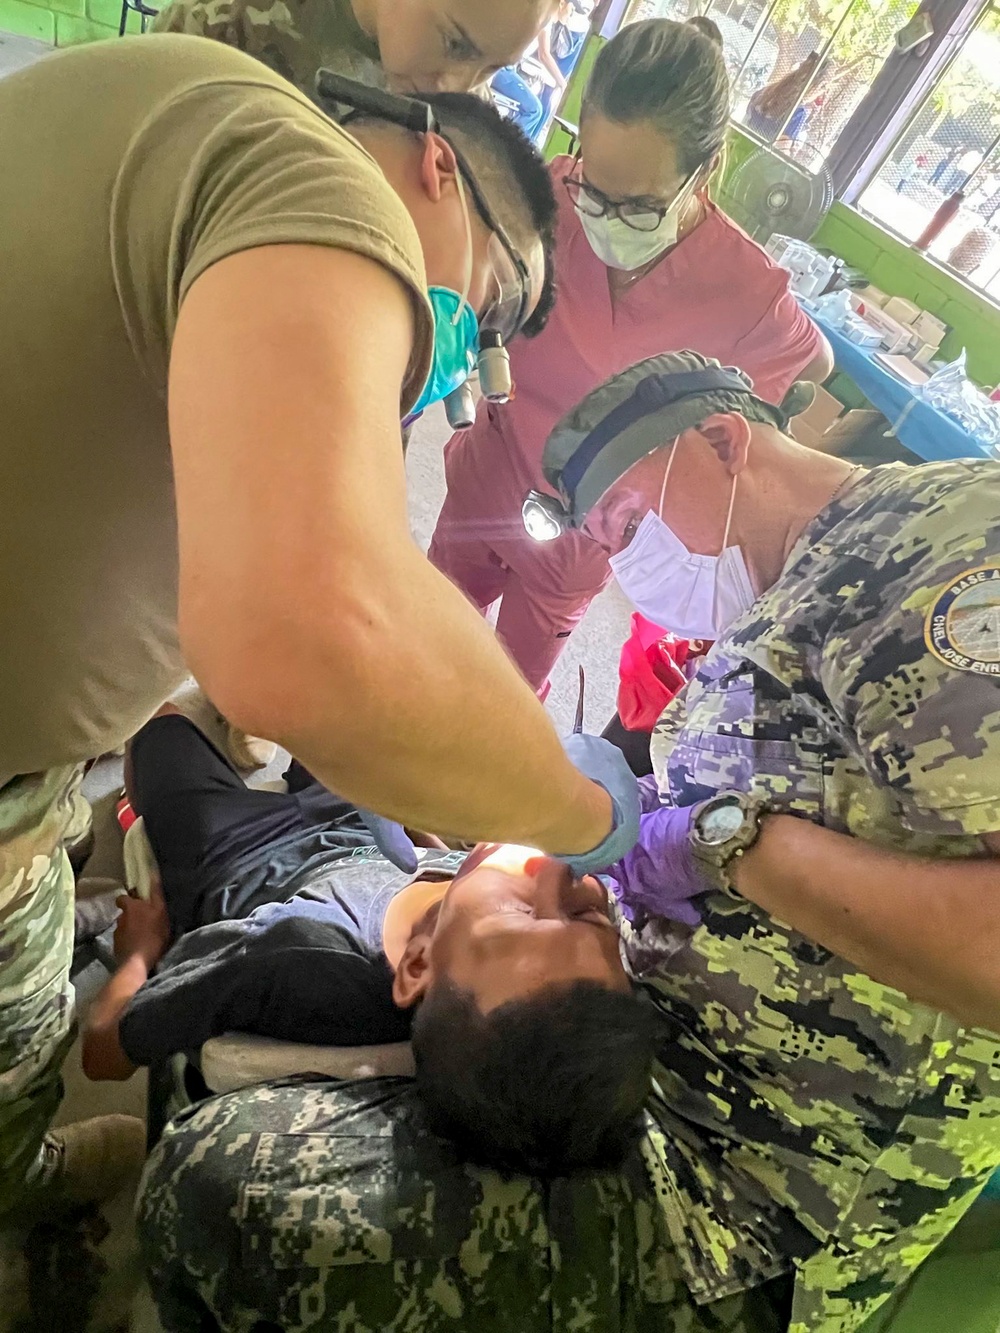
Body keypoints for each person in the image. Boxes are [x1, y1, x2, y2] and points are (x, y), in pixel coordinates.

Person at [138, 351, 1000, 1333]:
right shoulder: (785, 594)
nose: (628, 564)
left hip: (744, 1197)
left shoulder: (941, 543)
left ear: (720, 440)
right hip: (622, 1030)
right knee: (308, 949)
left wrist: (727, 841)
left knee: (220, 1174)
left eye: (629, 524)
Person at [0, 35, 641, 1224]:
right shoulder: (323, 193)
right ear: (441, 172)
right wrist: (577, 812)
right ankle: (19, 1179)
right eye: (486, 309)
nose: (461, 348)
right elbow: (314, 632)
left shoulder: (207, 132)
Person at [428, 19, 833, 696]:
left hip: (580, 532)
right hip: (489, 472)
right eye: (596, 187)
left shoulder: (744, 289)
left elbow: (811, 365)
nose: (606, 216)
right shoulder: (549, 195)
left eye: (640, 205)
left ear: (702, 174)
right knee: (423, 629)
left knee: (500, 699)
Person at [83, 709, 653, 1174]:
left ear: (417, 965)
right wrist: (414, 822)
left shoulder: (290, 954)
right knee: (333, 703)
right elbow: (434, 863)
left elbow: (103, 1054)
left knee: (160, 726)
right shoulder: (475, 948)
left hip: (239, 855)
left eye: (521, 911)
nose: (558, 870)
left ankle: (147, 799)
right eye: (586, 913)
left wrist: (139, 953)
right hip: (357, 828)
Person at [152, 0, 558, 97]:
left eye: (493, 68)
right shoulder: (223, 28)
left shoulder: (463, 123)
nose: (459, 86)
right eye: (455, 44)